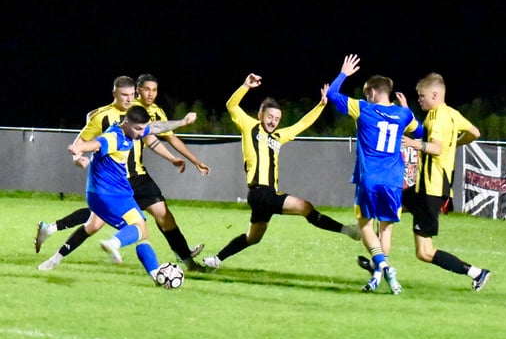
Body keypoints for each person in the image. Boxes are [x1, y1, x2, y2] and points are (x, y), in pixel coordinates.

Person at [36, 75, 206, 271]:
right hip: (113, 183)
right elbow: (86, 143)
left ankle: (186, 263)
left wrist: (179, 132)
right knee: (96, 225)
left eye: (132, 94)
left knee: (162, 218)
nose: (129, 98)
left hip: (138, 178)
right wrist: (78, 157)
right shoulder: (103, 118)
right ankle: (55, 254)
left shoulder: (138, 114)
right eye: (125, 95)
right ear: (114, 94)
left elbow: (152, 133)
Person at [201, 72, 360, 270]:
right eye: (269, 117)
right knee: (305, 207)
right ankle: (349, 231)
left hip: (263, 197)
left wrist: (320, 105)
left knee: (252, 238)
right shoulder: (250, 126)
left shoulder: (278, 136)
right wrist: (245, 86)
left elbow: (302, 124)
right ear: (260, 116)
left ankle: (216, 260)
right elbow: (231, 106)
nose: (273, 121)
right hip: (260, 192)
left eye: (276, 118)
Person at [326, 54, 424, 294]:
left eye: (366, 91)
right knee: (386, 228)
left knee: (364, 224)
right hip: (393, 179)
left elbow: (331, 95)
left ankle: (383, 266)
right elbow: (420, 131)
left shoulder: (363, 108)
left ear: (371, 91)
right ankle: (380, 273)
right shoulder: (403, 115)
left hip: (369, 177)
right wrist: (406, 109)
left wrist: (344, 74)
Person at [67, 105, 196, 284]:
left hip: (117, 192)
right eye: (138, 129)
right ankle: (114, 243)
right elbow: (98, 143)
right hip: (111, 194)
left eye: (143, 129)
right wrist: (79, 147)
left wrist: (182, 122)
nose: (141, 133)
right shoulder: (115, 136)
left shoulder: (134, 130)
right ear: (126, 122)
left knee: (143, 232)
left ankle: (156, 276)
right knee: (137, 227)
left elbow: (158, 127)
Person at [388, 72, 491, 291]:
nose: (420, 99)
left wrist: (414, 144)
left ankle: (476, 272)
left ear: (434, 95)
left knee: (424, 252)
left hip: (431, 190)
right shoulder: (452, 114)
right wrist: (454, 145)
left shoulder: (436, 117)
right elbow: (475, 132)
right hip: (426, 187)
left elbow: (436, 147)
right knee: (387, 204)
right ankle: (376, 259)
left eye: (421, 95)